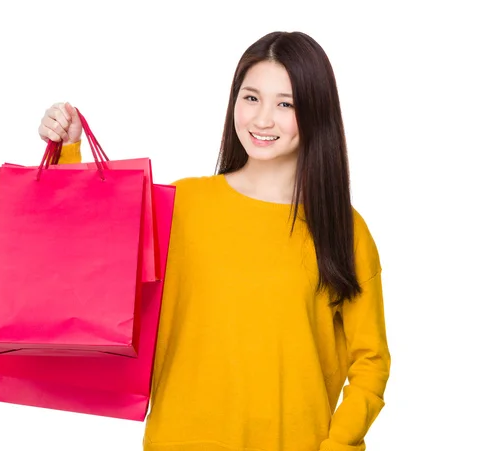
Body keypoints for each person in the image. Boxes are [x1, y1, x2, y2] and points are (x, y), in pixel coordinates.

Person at [38, 31, 391, 451]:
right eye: (251, 98)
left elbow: (370, 361)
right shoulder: (182, 204)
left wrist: (338, 443)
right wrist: (69, 150)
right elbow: (87, 254)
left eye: (286, 104)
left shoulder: (342, 228)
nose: (262, 120)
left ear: (317, 111)